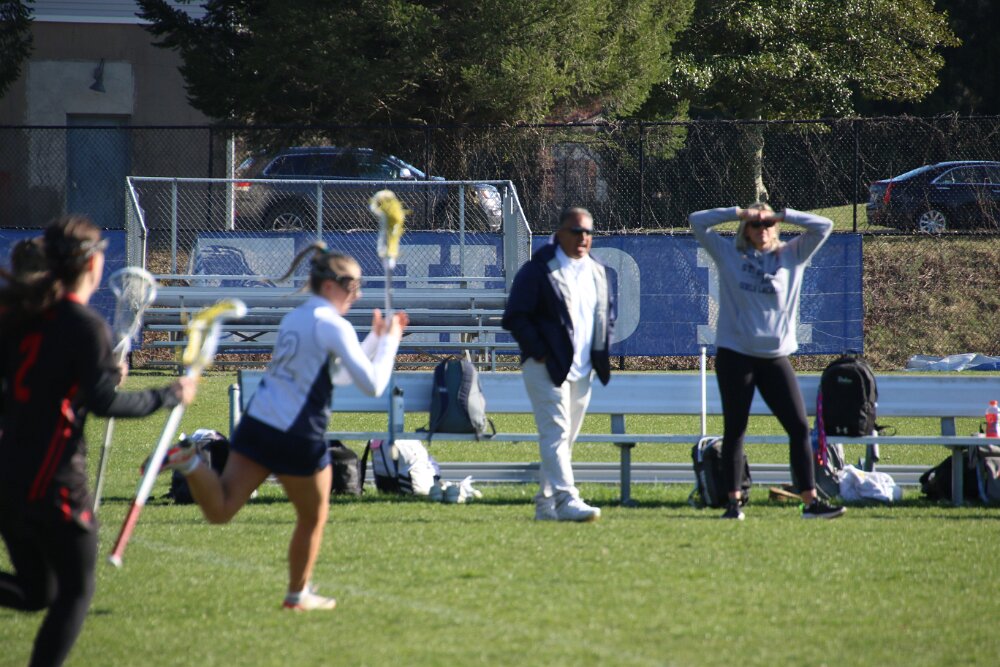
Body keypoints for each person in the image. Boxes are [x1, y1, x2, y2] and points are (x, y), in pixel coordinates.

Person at [162, 242, 408, 611]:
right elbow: (372, 385)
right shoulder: (333, 324)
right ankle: (297, 595)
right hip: (296, 432)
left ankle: (192, 462)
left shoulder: (297, 318)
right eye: (352, 286)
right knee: (313, 516)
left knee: (221, 510)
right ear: (330, 285)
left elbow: (337, 374)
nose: (357, 295)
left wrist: (375, 339)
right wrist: (389, 343)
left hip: (258, 422)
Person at [0, 216, 197, 667]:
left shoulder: (22, 316)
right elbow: (104, 402)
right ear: (92, 264)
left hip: (9, 474)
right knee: (75, 591)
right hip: (52, 481)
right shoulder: (83, 325)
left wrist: (93, 376)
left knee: (37, 592)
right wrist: (168, 394)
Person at [689, 203, 846, 520]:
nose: (762, 230)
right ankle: (733, 504)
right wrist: (738, 212)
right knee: (736, 429)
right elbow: (697, 220)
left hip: (774, 357)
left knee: (798, 428)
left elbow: (824, 226)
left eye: (767, 224)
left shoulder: (792, 254)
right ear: (746, 230)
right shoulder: (730, 254)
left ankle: (810, 502)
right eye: (755, 225)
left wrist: (784, 215)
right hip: (736, 354)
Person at [502, 207, 615, 522]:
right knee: (556, 433)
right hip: (546, 367)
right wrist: (539, 351)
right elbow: (515, 316)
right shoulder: (539, 269)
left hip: (582, 369)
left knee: (564, 441)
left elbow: (607, 314)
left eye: (588, 232)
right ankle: (567, 500)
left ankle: (545, 505)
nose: (583, 238)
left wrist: (599, 350)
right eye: (577, 231)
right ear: (560, 233)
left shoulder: (598, 270)